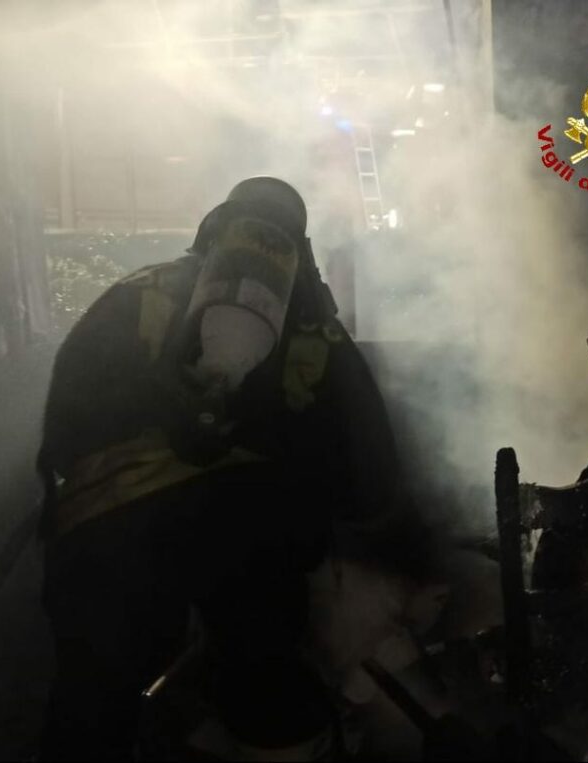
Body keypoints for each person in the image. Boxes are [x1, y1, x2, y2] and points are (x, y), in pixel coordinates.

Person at [38, 177, 402, 760]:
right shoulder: (315, 332)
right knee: (267, 687)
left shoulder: (137, 293)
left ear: (208, 233)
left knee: (95, 702)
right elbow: (372, 485)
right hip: (250, 538)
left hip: (108, 536)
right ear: (302, 254)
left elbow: (61, 439)